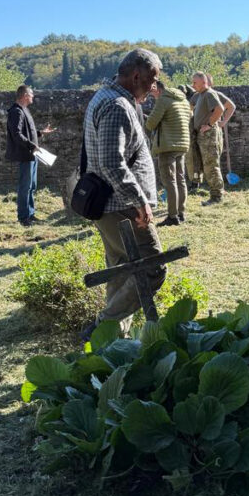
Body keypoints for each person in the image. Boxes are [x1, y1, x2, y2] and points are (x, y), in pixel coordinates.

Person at [80, 48, 164, 338]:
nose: (153, 87)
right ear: (137, 76)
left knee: (120, 271)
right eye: (152, 79)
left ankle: (112, 341)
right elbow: (111, 162)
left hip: (112, 204)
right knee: (152, 267)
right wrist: (139, 201)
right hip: (121, 206)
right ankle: (101, 327)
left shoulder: (108, 97)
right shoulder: (116, 105)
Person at [5, 85, 54, 227]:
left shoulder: (24, 110)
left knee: (32, 186)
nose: (33, 96)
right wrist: (32, 146)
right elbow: (17, 134)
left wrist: (40, 133)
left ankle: (30, 214)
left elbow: (27, 132)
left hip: (32, 154)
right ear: (25, 95)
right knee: (25, 187)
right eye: (31, 94)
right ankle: (23, 217)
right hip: (25, 155)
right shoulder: (16, 112)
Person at [145, 78, 192, 226]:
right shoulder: (183, 100)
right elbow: (188, 117)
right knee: (180, 179)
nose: (152, 97)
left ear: (156, 89)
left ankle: (172, 216)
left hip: (167, 145)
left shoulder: (163, 99)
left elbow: (151, 123)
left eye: (152, 94)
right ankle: (181, 212)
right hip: (182, 144)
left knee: (170, 181)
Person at [190, 71, 225, 205]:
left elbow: (220, 109)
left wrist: (209, 124)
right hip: (203, 135)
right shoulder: (200, 95)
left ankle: (217, 197)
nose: (193, 85)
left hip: (209, 136)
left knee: (211, 165)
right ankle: (215, 194)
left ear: (204, 82)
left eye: (195, 82)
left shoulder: (209, 93)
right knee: (207, 165)